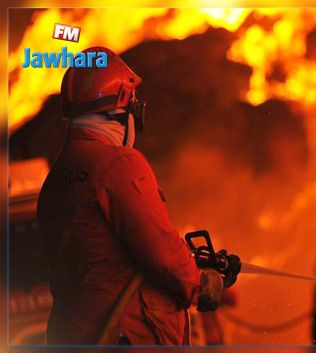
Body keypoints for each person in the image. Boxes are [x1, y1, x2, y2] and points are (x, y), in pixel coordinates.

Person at [37, 46, 225, 345]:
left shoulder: (56, 180)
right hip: (125, 335)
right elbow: (159, 248)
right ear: (121, 109)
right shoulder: (119, 164)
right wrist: (201, 282)